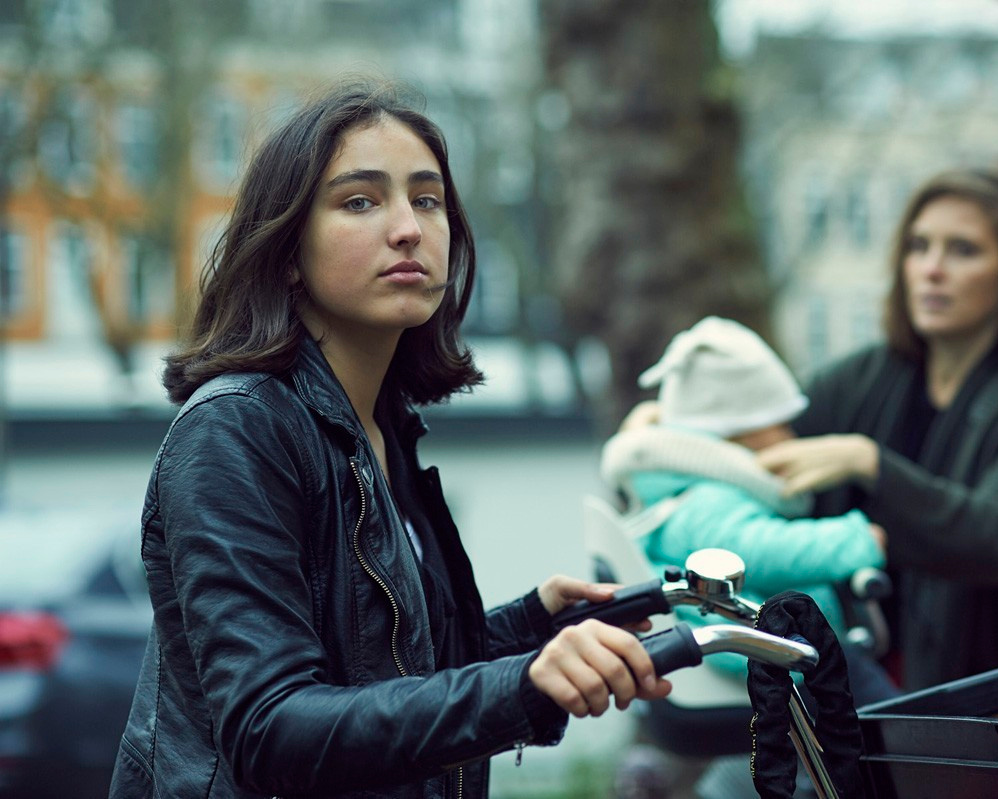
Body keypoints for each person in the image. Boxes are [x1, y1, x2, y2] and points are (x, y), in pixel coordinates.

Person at [108, 80, 671, 799]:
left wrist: (532, 630)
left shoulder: (378, 425)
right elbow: (269, 727)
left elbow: (383, 668)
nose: (408, 227)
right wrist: (519, 687)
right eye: (360, 201)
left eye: (427, 199)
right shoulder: (236, 429)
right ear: (286, 249)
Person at [756, 165, 998, 692]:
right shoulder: (865, 377)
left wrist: (871, 465)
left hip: (972, 725)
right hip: (840, 703)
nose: (931, 269)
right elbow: (760, 437)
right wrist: (670, 427)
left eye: (963, 250)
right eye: (918, 246)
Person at [601, 316, 887, 661]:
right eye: (780, 424)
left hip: (751, 653)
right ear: (739, 433)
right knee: (881, 703)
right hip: (762, 660)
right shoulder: (704, 501)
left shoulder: (674, 489)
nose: (791, 437)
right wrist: (855, 539)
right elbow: (763, 552)